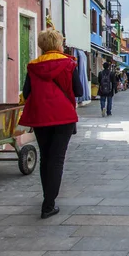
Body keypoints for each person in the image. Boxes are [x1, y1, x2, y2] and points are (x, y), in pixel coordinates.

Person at [19, 29, 83, 219]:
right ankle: (49, 204)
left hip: (40, 116)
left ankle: (47, 199)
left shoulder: (33, 66)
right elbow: (78, 91)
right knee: (57, 159)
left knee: (46, 158)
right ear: (58, 44)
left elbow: (27, 92)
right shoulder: (69, 64)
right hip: (63, 116)